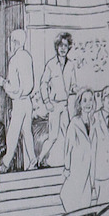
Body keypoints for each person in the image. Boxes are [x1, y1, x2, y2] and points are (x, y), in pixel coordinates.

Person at [1, 28, 37, 172]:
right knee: (26, 131)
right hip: (28, 101)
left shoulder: (14, 60)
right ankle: (33, 160)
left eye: (11, 40)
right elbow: (30, 84)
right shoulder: (27, 57)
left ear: (15, 42)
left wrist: (3, 83)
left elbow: (14, 88)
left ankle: (5, 162)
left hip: (19, 102)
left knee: (13, 131)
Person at [59, 88, 98, 215]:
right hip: (77, 166)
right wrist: (67, 167)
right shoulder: (74, 123)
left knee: (86, 201)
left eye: (91, 100)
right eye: (85, 100)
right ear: (80, 104)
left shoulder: (95, 122)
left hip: (90, 168)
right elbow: (67, 147)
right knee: (72, 196)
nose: (88, 104)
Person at [39, 31, 75, 166]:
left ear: (69, 47)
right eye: (60, 46)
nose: (63, 49)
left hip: (65, 105)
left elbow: (73, 84)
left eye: (65, 46)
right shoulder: (50, 64)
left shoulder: (70, 65)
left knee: (67, 134)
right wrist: (47, 101)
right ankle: (40, 159)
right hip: (54, 105)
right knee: (53, 136)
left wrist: (74, 89)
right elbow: (43, 84)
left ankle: (68, 161)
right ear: (56, 47)